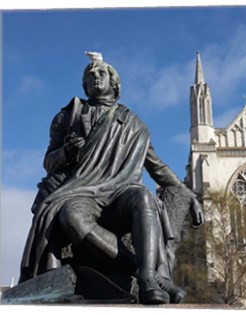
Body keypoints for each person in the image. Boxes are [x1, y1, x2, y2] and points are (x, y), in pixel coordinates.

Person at [19, 52, 204, 304]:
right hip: (81, 191)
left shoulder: (134, 124)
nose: (95, 77)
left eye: (101, 73)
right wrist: (67, 151)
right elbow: (49, 162)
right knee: (71, 216)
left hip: (119, 192)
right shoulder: (67, 116)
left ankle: (149, 279)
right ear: (84, 85)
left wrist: (188, 193)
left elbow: (157, 167)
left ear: (114, 83)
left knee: (143, 196)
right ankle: (142, 272)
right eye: (90, 75)